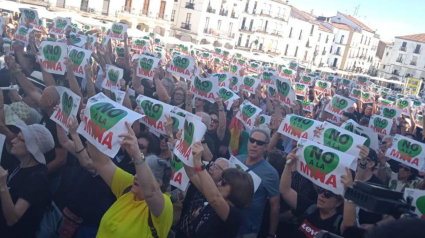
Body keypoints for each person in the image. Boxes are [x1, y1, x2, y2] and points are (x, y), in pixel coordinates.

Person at [85, 122, 173, 238]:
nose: (136, 176)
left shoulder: (164, 206)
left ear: (158, 183)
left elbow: (151, 193)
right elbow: (102, 163)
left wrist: (137, 155)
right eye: (137, 171)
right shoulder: (129, 186)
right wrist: (91, 127)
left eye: (142, 174)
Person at [279, 149, 357, 238]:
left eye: (327, 194)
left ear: (338, 202)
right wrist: (288, 165)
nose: (321, 195)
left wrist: (349, 191)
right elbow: (285, 190)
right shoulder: (310, 209)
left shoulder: (338, 223)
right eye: (320, 190)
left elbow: (349, 223)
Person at [184, 141, 254, 238]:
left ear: (237, 189)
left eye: (224, 182)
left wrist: (198, 162)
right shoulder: (212, 204)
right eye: (221, 180)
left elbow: (215, 199)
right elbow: (192, 174)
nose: (219, 184)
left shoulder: (235, 215)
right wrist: (184, 148)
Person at [0, 120, 54, 238]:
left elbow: (13, 219)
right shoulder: (20, 165)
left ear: (32, 147)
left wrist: (3, 186)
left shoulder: (38, 178)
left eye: (19, 139)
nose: (13, 140)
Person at [236, 128, 281, 238]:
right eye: (252, 140)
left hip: (248, 230)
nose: (254, 144)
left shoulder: (271, 173)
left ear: (266, 147)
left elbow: (275, 206)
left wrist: (271, 234)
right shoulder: (237, 160)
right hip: (226, 221)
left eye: (259, 143)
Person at [177, 158, 237, 238]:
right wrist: (184, 154)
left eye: (217, 167)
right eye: (212, 164)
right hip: (182, 231)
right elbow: (192, 174)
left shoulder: (228, 209)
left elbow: (214, 199)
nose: (211, 167)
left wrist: (200, 217)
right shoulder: (202, 185)